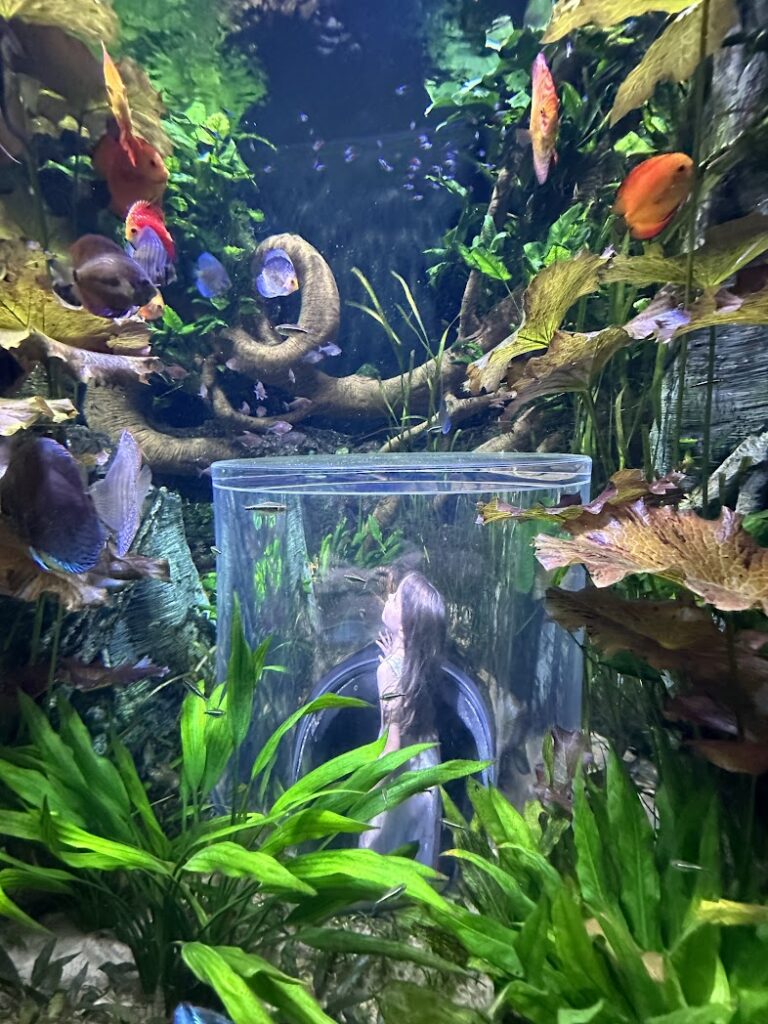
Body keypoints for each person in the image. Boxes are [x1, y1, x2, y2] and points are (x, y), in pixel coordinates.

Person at [359, 570, 446, 867]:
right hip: (424, 768)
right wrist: (395, 650)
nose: (390, 596)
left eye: (396, 599)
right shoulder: (424, 663)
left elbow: (392, 746)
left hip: (398, 772)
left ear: (406, 627)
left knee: (379, 842)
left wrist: (369, 793)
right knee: (412, 847)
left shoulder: (388, 673)